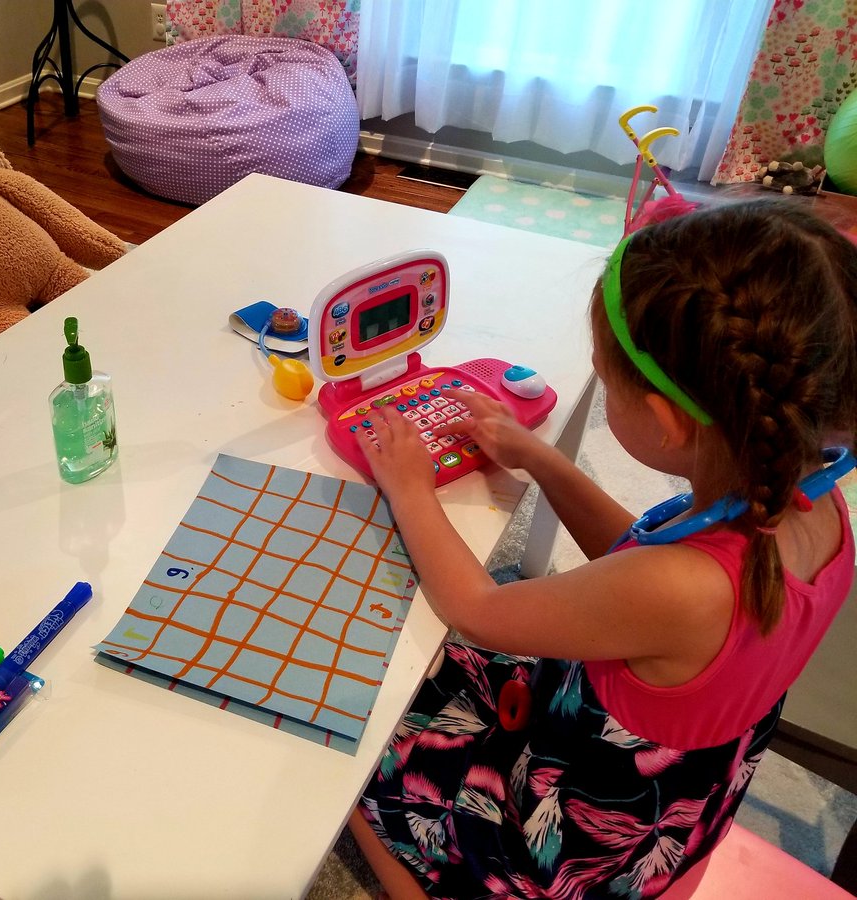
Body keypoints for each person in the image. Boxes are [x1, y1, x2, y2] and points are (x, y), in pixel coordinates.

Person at [348, 199, 857, 899]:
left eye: (607, 381)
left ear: (665, 421)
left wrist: (410, 489)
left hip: (580, 829)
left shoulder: (682, 587)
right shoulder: (810, 499)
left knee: (362, 753)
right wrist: (542, 460)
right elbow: (635, 562)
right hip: (677, 790)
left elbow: (477, 609)